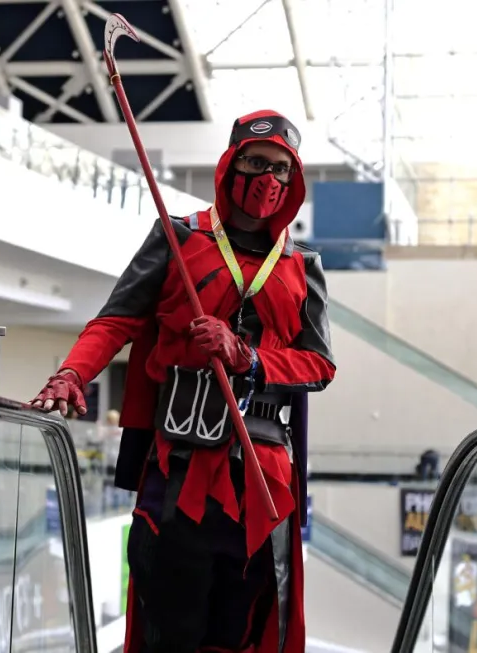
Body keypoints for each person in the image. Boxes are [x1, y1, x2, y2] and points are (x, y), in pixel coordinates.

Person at [31, 109, 335, 653]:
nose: (268, 179)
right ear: (231, 163)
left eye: (280, 170)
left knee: (241, 632)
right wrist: (72, 372)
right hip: (178, 464)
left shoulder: (301, 263)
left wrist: (248, 356)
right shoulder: (177, 237)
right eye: (255, 162)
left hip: (263, 476)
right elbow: (116, 320)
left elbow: (318, 365)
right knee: (167, 628)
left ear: (294, 181)